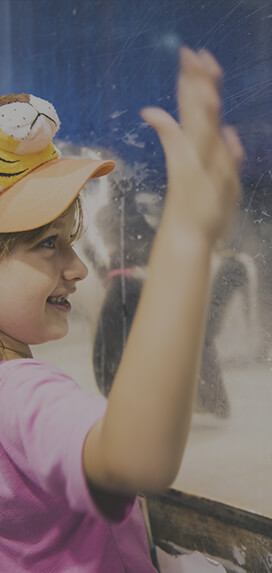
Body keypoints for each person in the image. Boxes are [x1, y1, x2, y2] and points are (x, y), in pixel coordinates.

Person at [0, 47, 243, 571]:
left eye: (73, 241)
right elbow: (138, 457)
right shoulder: (17, 394)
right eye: (47, 244)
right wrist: (186, 238)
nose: (79, 267)